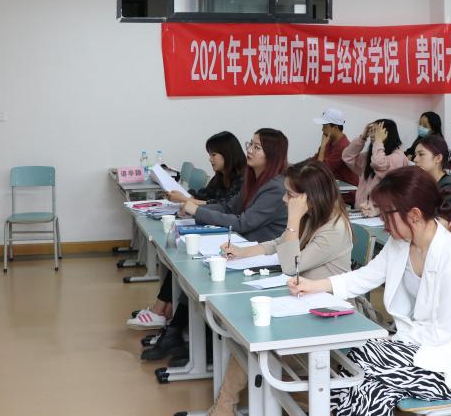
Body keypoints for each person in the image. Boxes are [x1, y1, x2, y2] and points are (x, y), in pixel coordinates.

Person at [288, 166, 451, 416]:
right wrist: (314, 286)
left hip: (449, 363)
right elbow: (366, 276)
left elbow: (443, 332)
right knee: (364, 376)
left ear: (414, 215)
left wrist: (393, 342)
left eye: (386, 215)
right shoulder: (401, 242)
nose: (383, 223)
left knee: (365, 369)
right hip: (416, 345)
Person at [205, 161, 353, 415]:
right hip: (303, 302)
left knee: (256, 337)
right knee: (249, 333)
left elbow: (291, 266)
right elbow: (278, 243)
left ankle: (225, 407)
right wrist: (242, 252)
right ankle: (224, 407)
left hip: (329, 313)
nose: (285, 200)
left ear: (310, 198)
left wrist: (293, 220)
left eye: (290, 195)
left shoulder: (334, 229)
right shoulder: (314, 217)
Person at [145, 129, 288, 361]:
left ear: (272, 154)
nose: (249, 150)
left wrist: (196, 209)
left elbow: (242, 222)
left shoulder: (275, 187)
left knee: (202, 269)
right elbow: (229, 208)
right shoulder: (253, 178)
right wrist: (194, 208)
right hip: (243, 248)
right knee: (194, 266)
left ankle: (192, 338)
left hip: (264, 256)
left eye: (257, 147)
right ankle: (179, 332)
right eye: (250, 144)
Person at [131, 131, 246, 330]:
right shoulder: (221, 177)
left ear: (227, 154)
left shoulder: (243, 179)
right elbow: (204, 195)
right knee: (179, 255)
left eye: (214, 155)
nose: (210, 159)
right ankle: (163, 310)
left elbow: (224, 206)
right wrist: (181, 196)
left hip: (228, 235)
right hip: (213, 227)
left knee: (184, 259)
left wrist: (186, 200)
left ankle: (161, 311)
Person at [342, 118, 407, 216]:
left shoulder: (398, 157)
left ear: (387, 134)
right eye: (371, 131)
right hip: (361, 210)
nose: (372, 135)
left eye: (376, 131)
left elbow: (379, 164)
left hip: (381, 214)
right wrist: (362, 137)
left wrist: (378, 141)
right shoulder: (371, 155)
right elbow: (347, 157)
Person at [311, 108, 359, 188]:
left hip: (346, 192)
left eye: (325, 126)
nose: (322, 129)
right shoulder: (329, 142)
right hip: (333, 187)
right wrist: (296, 167)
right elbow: (314, 159)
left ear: (335, 127)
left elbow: (322, 171)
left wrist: (322, 147)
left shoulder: (343, 147)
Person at [409, 134, 451, 210]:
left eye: (421, 154)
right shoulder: (423, 183)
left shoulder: (449, 187)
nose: (415, 159)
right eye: (415, 155)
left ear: (438, 158)